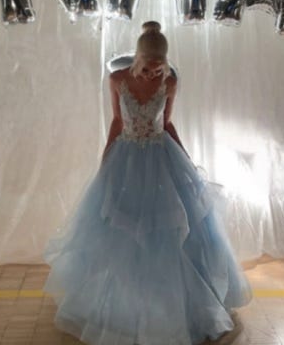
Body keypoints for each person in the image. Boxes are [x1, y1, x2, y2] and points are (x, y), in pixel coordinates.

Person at [43, 21, 253, 345]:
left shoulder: (170, 82)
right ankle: (123, 308)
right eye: (148, 67)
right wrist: (106, 160)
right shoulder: (117, 79)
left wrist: (187, 162)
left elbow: (166, 123)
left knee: (171, 231)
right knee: (121, 232)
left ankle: (173, 308)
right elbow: (117, 120)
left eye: (159, 68)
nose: (154, 73)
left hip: (161, 157)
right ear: (138, 58)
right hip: (127, 158)